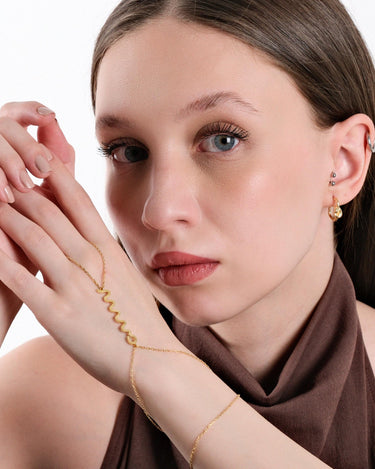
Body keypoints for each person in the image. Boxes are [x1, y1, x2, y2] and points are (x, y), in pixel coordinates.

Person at [0, 0, 374, 467]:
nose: (159, 210)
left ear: (344, 161)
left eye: (223, 139)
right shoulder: (43, 400)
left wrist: (152, 364)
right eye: (129, 151)